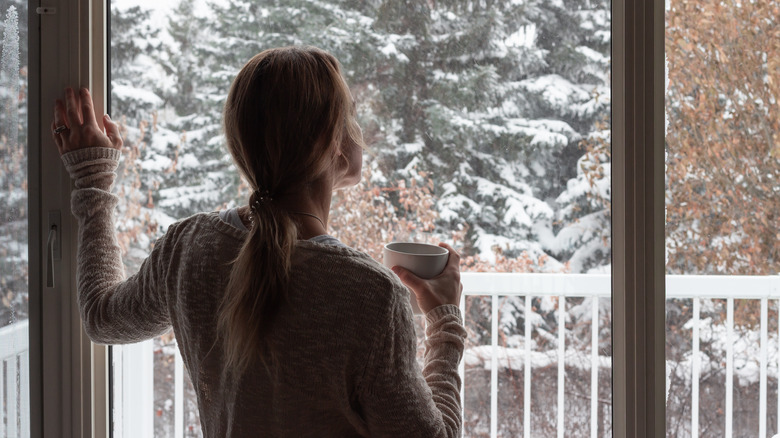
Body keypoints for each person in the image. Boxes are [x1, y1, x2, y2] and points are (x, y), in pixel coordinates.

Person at [51, 46, 467, 437]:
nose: (361, 130)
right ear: (329, 143)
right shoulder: (371, 296)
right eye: (351, 115)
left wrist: (93, 179)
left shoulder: (189, 248)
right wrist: (446, 321)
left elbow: (101, 316)